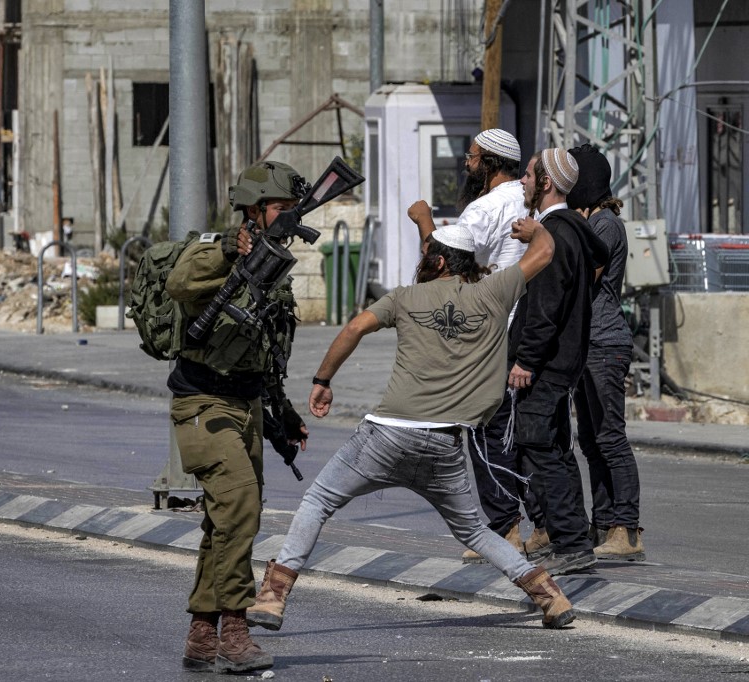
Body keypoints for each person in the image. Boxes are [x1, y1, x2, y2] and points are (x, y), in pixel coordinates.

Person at [246, 219, 578, 640]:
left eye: (425, 256)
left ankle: (273, 597)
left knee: (317, 502)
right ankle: (550, 596)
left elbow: (354, 328)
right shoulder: (494, 291)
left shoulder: (404, 297)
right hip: (446, 442)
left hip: (386, 437)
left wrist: (323, 380)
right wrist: (534, 231)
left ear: (437, 261)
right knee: (474, 529)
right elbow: (545, 252)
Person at [167, 161, 310, 675]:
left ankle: (203, 634)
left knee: (223, 520)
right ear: (255, 209)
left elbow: (269, 348)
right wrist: (231, 249)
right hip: (202, 403)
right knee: (241, 505)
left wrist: (282, 415)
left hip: (247, 404)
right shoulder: (217, 249)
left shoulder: (275, 264)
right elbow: (181, 283)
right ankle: (235, 629)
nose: (290, 216)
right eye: (281, 208)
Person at [409, 127, 546, 563]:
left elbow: (443, 261)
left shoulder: (484, 209)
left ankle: (504, 529)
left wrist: (423, 221)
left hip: (488, 334)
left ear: (489, 162)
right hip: (527, 331)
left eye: (471, 157)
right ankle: (543, 524)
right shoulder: (529, 206)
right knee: (521, 435)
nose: (466, 164)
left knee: (487, 435)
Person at [509, 149, 609, 576]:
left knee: (538, 449)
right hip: (562, 360)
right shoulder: (570, 230)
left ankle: (570, 541)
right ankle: (575, 537)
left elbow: (545, 307)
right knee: (553, 446)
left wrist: (526, 359)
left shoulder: (555, 235)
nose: (523, 183)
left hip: (546, 362)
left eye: (529, 176)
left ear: (546, 182)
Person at [567, 144, 645, 561]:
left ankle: (627, 529)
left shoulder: (605, 224)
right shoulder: (592, 222)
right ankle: (605, 522)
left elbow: (583, 274)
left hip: (606, 341)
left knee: (611, 438)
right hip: (587, 343)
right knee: (591, 440)